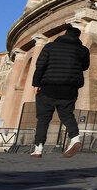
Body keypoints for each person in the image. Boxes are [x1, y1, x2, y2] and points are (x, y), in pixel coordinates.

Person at [30, 26, 90, 158]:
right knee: (67, 115)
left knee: (43, 119)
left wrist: (36, 83)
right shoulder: (83, 50)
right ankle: (75, 138)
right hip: (69, 88)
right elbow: (85, 66)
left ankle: (38, 148)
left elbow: (40, 65)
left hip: (48, 87)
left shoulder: (50, 47)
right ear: (78, 37)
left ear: (65, 34)